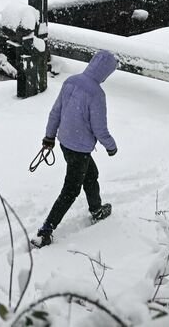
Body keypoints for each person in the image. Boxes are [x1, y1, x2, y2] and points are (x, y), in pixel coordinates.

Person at [34, 50, 118, 247]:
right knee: (71, 190)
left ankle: (96, 210)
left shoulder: (71, 81)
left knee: (91, 174)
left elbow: (56, 111)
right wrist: (110, 146)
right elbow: (99, 128)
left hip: (65, 142)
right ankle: (46, 230)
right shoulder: (96, 93)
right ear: (105, 71)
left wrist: (49, 136)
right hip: (79, 148)